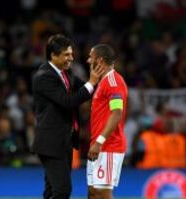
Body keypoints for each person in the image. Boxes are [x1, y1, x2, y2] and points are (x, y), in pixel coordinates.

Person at [31, 33, 102, 199]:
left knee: (52, 191)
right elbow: (68, 102)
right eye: (66, 55)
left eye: (71, 53)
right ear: (53, 55)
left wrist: (101, 78)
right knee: (62, 190)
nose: (71, 58)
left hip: (64, 142)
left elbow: (87, 89)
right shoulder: (44, 77)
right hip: (51, 143)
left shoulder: (66, 73)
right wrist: (91, 83)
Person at [86, 44, 128, 199]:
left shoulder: (113, 82)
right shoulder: (102, 82)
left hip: (108, 146)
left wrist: (99, 142)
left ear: (100, 60)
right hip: (98, 146)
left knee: (102, 194)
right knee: (92, 193)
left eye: (91, 57)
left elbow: (117, 113)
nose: (88, 60)